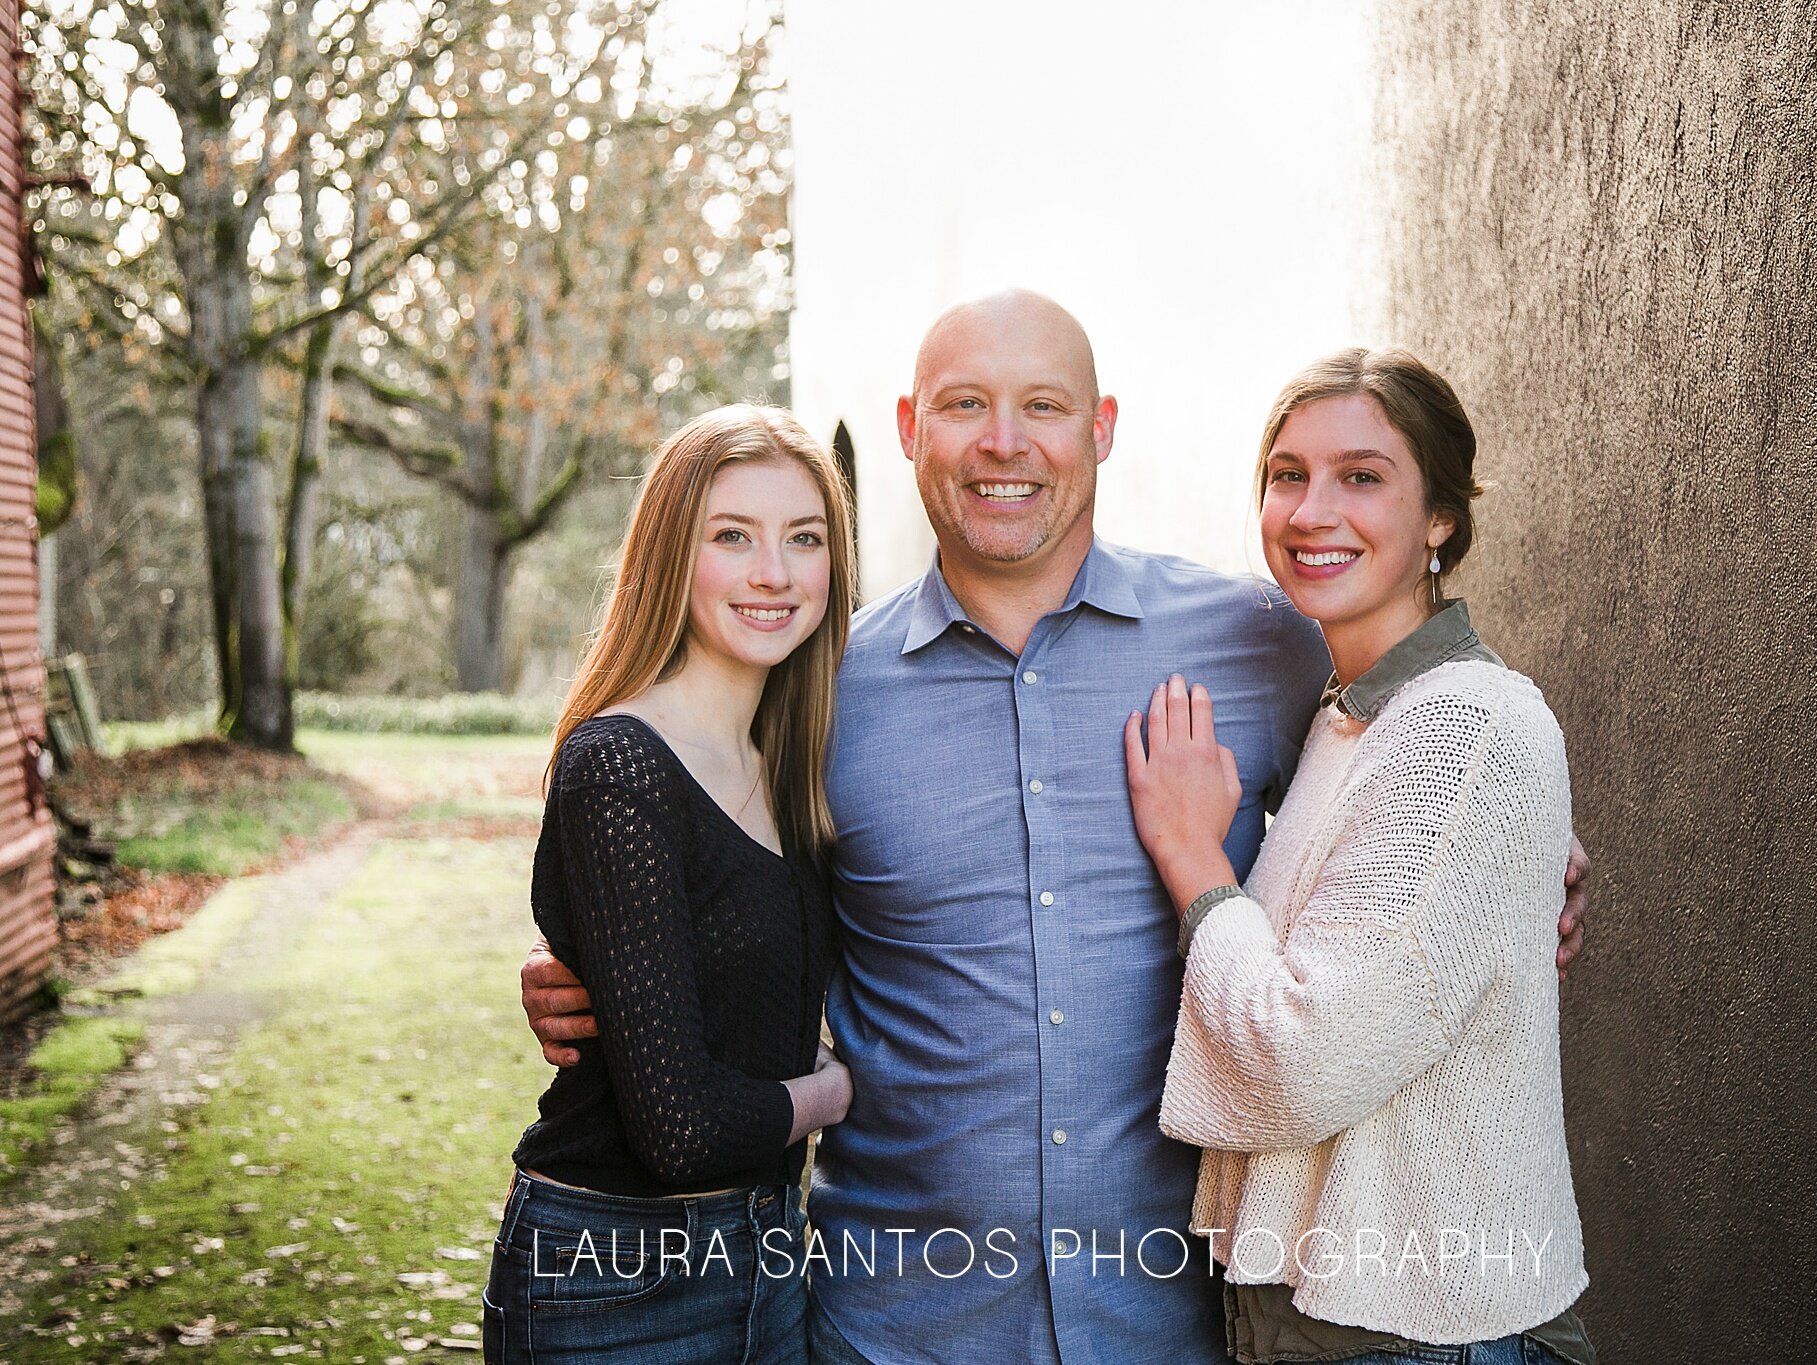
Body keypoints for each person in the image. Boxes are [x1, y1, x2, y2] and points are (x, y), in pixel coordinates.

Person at [521, 293, 1590, 1365]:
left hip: (1172, 1322)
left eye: (1042, 405)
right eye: (963, 406)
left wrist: (1536, 853)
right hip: (898, 1324)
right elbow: (717, 880)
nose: (1003, 442)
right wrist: (593, 960)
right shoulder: (817, 688)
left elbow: (1407, 765)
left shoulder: (1260, 645)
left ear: (1100, 429)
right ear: (907, 430)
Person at [1125, 348, 1594, 1364]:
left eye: (1361, 477)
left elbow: (1303, 1055)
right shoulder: (1352, 723)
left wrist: (1188, 854)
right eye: (1286, 474)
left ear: (1440, 520)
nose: (1308, 509)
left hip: (1422, 1329)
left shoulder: (1460, 725)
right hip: (1337, 1315)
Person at [484, 405, 856, 1365]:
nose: (773, 571)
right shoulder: (621, 765)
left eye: (803, 538)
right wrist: (843, 1088)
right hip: (613, 1279)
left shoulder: (794, 758)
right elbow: (679, 1128)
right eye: (732, 536)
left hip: (770, 1253)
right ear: (669, 556)